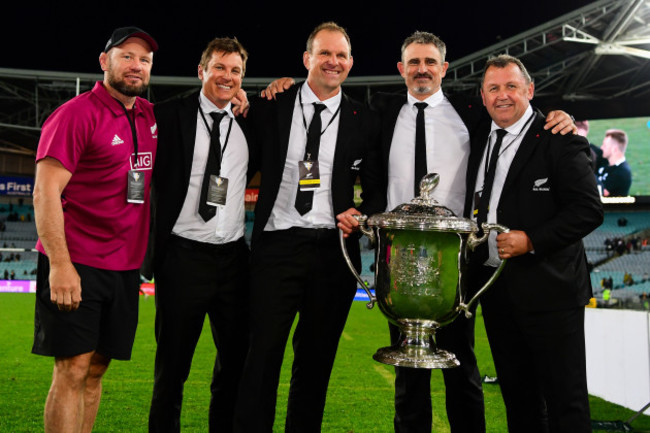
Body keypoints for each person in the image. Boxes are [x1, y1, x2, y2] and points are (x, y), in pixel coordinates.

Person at [262, 30, 576, 433]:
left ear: (444, 68)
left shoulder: (471, 111)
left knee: (461, 367)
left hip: (458, 261)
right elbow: (373, 181)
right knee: (408, 372)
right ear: (401, 69)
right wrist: (283, 85)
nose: (422, 69)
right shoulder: (381, 114)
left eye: (430, 62)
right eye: (414, 62)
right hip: (400, 259)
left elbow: (511, 109)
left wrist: (555, 113)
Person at [233, 22, 385, 433]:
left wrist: (361, 214)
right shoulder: (272, 105)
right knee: (260, 357)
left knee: (316, 363)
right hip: (276, 247)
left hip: (334, 253)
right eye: (324, 54)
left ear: (350, 63)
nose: (333, 62)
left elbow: (377, 192)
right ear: (307, 60)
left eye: (341, 55)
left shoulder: (366, 120)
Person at [465, 54, 603, 432]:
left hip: (551, 293)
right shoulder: (481, 136)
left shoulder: (559, 137)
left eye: (511, 86)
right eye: (493, 88)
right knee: (520, 403)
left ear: (530, 90)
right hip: (498, 291)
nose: (502, 96)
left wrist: (532, 241)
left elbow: (588, 210)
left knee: (566, 404)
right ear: (483, 95)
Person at [31, 26, 158, 433]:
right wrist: (60, 265)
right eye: (127, 56)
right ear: (104, 61)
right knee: (72, 369)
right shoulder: (74, 114)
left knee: (97, 369)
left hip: (123, 268)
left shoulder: (149, 116)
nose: (136, 66)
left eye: (144, 60)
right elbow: (44, 192)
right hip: (76, 261)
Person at [148, 37, 256, 433]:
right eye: (220, 68)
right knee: (171, 371)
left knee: (234, 369)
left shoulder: (250, 121)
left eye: (235, 71)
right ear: (202, 71)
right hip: (182, 257)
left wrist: (256, 97)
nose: (227, 77)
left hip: (233, 261)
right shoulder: (168, 115)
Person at [596, 129, 632, 196]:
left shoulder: (622, 172)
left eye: (604, 145)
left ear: (614, 149)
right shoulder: (607, 162)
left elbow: (602, 192)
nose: (601, 148)